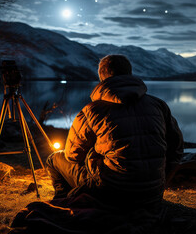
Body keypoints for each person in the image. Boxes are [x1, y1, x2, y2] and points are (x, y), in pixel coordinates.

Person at [46, 54, 184, 208]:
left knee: (54, 159)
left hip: (111, 193)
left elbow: (72, 155)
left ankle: (62, 202)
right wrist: (161, 178)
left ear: (102, 76)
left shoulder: (92, 110)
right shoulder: (158, 105)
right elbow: (177, 147)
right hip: (152, 193)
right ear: (129, 73)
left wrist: (94, 153)